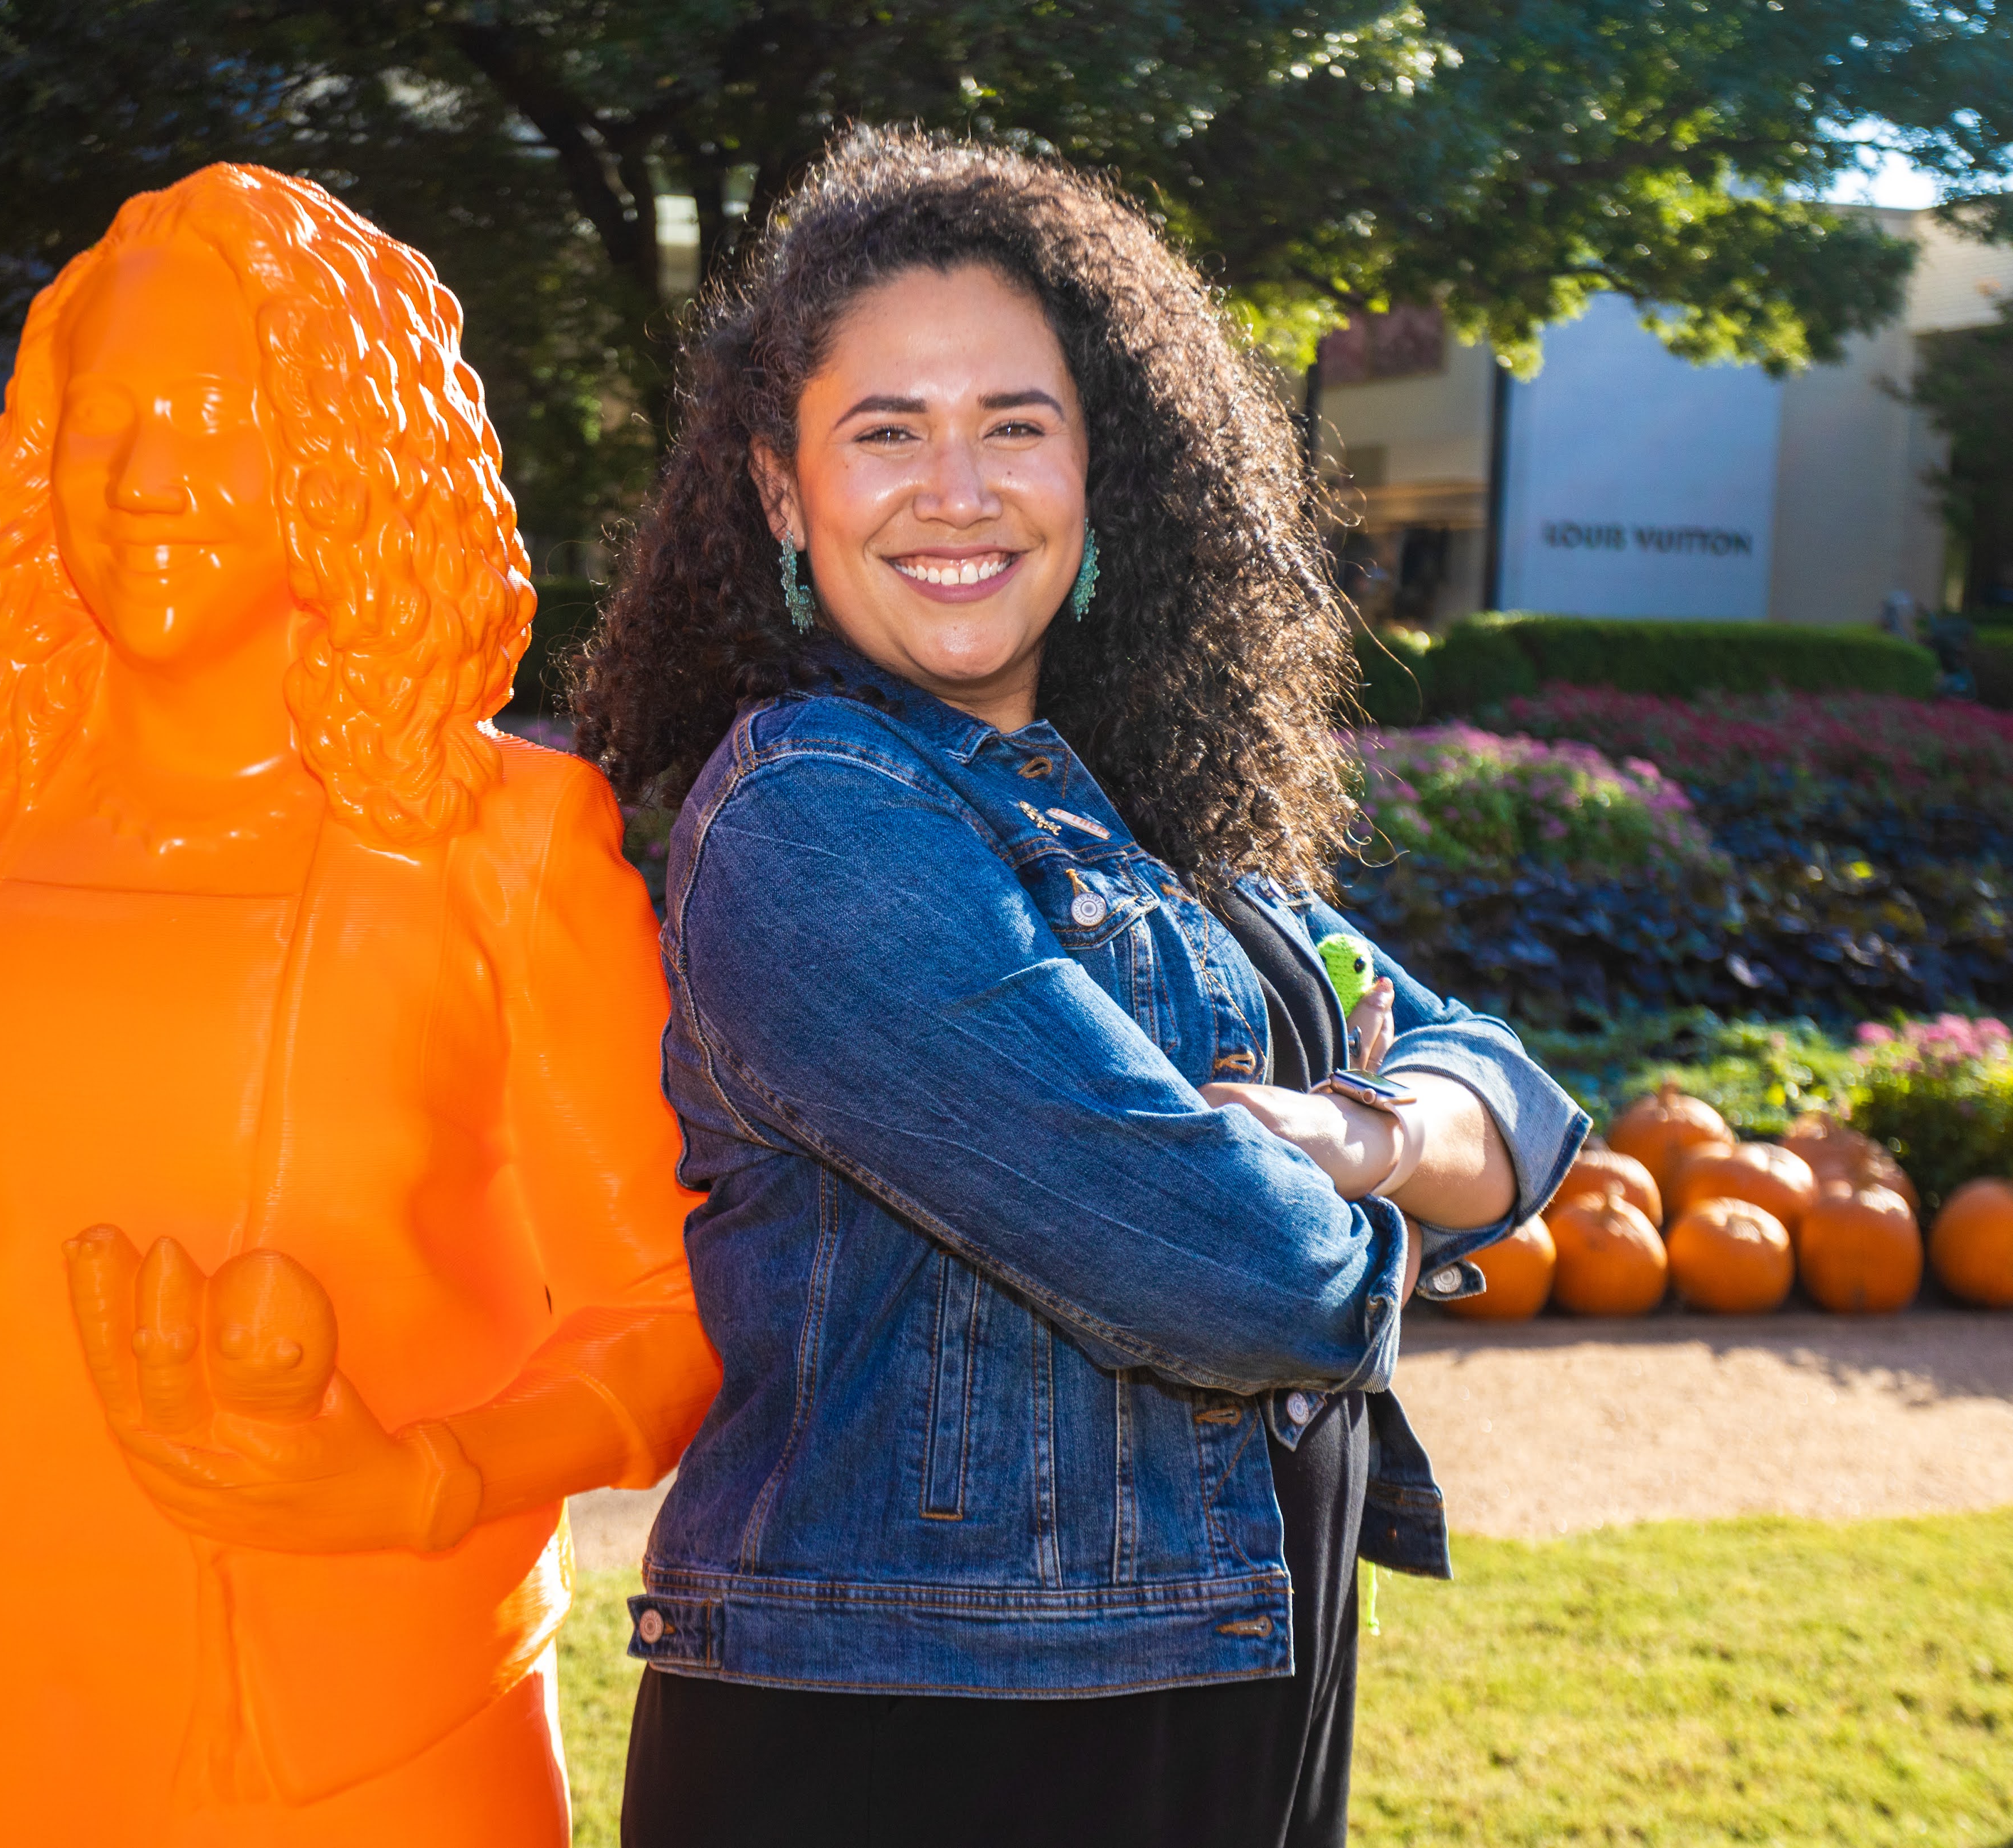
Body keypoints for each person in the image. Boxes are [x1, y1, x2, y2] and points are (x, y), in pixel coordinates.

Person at [570, 127, 1588, 1847]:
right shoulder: (814, 815)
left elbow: (1503, 1084)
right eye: (885, 431)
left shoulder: (1151, 819)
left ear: (1098, 469)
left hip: (1223, 1713)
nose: (956, 490)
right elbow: (1244, 1277)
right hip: (925, 1762)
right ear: (781, 491)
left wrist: (1355, 1133)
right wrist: (1393, 1197)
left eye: (1014, 425)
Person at [0, 164, 719, 1848]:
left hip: (363, 1771)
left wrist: (428, 1478)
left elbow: (678, 1302)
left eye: (217, 420)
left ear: (347, 456)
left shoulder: (499, 853)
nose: (143, 479)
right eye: (102, 423)